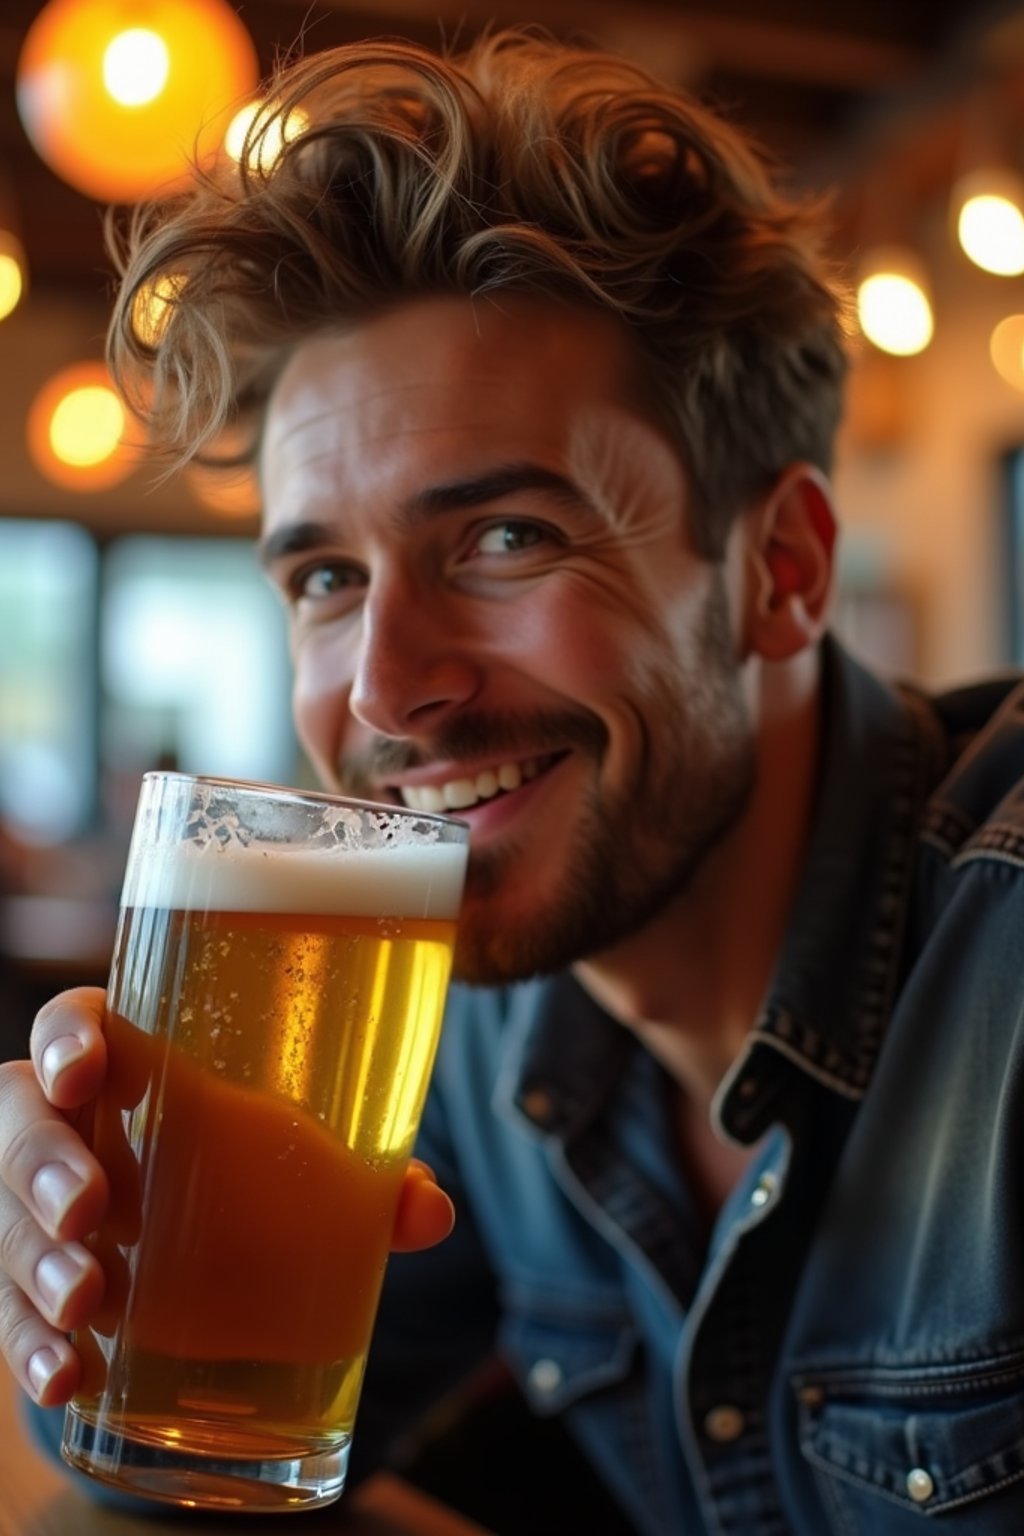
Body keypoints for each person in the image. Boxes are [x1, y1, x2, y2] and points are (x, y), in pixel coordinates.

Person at [2, 26, 1023, 1536]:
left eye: (504, 540)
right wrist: (83, 1294)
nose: (382, 686)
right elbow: (197, 1482)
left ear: (785, 570)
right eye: (329, 577)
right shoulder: (480, 1030)